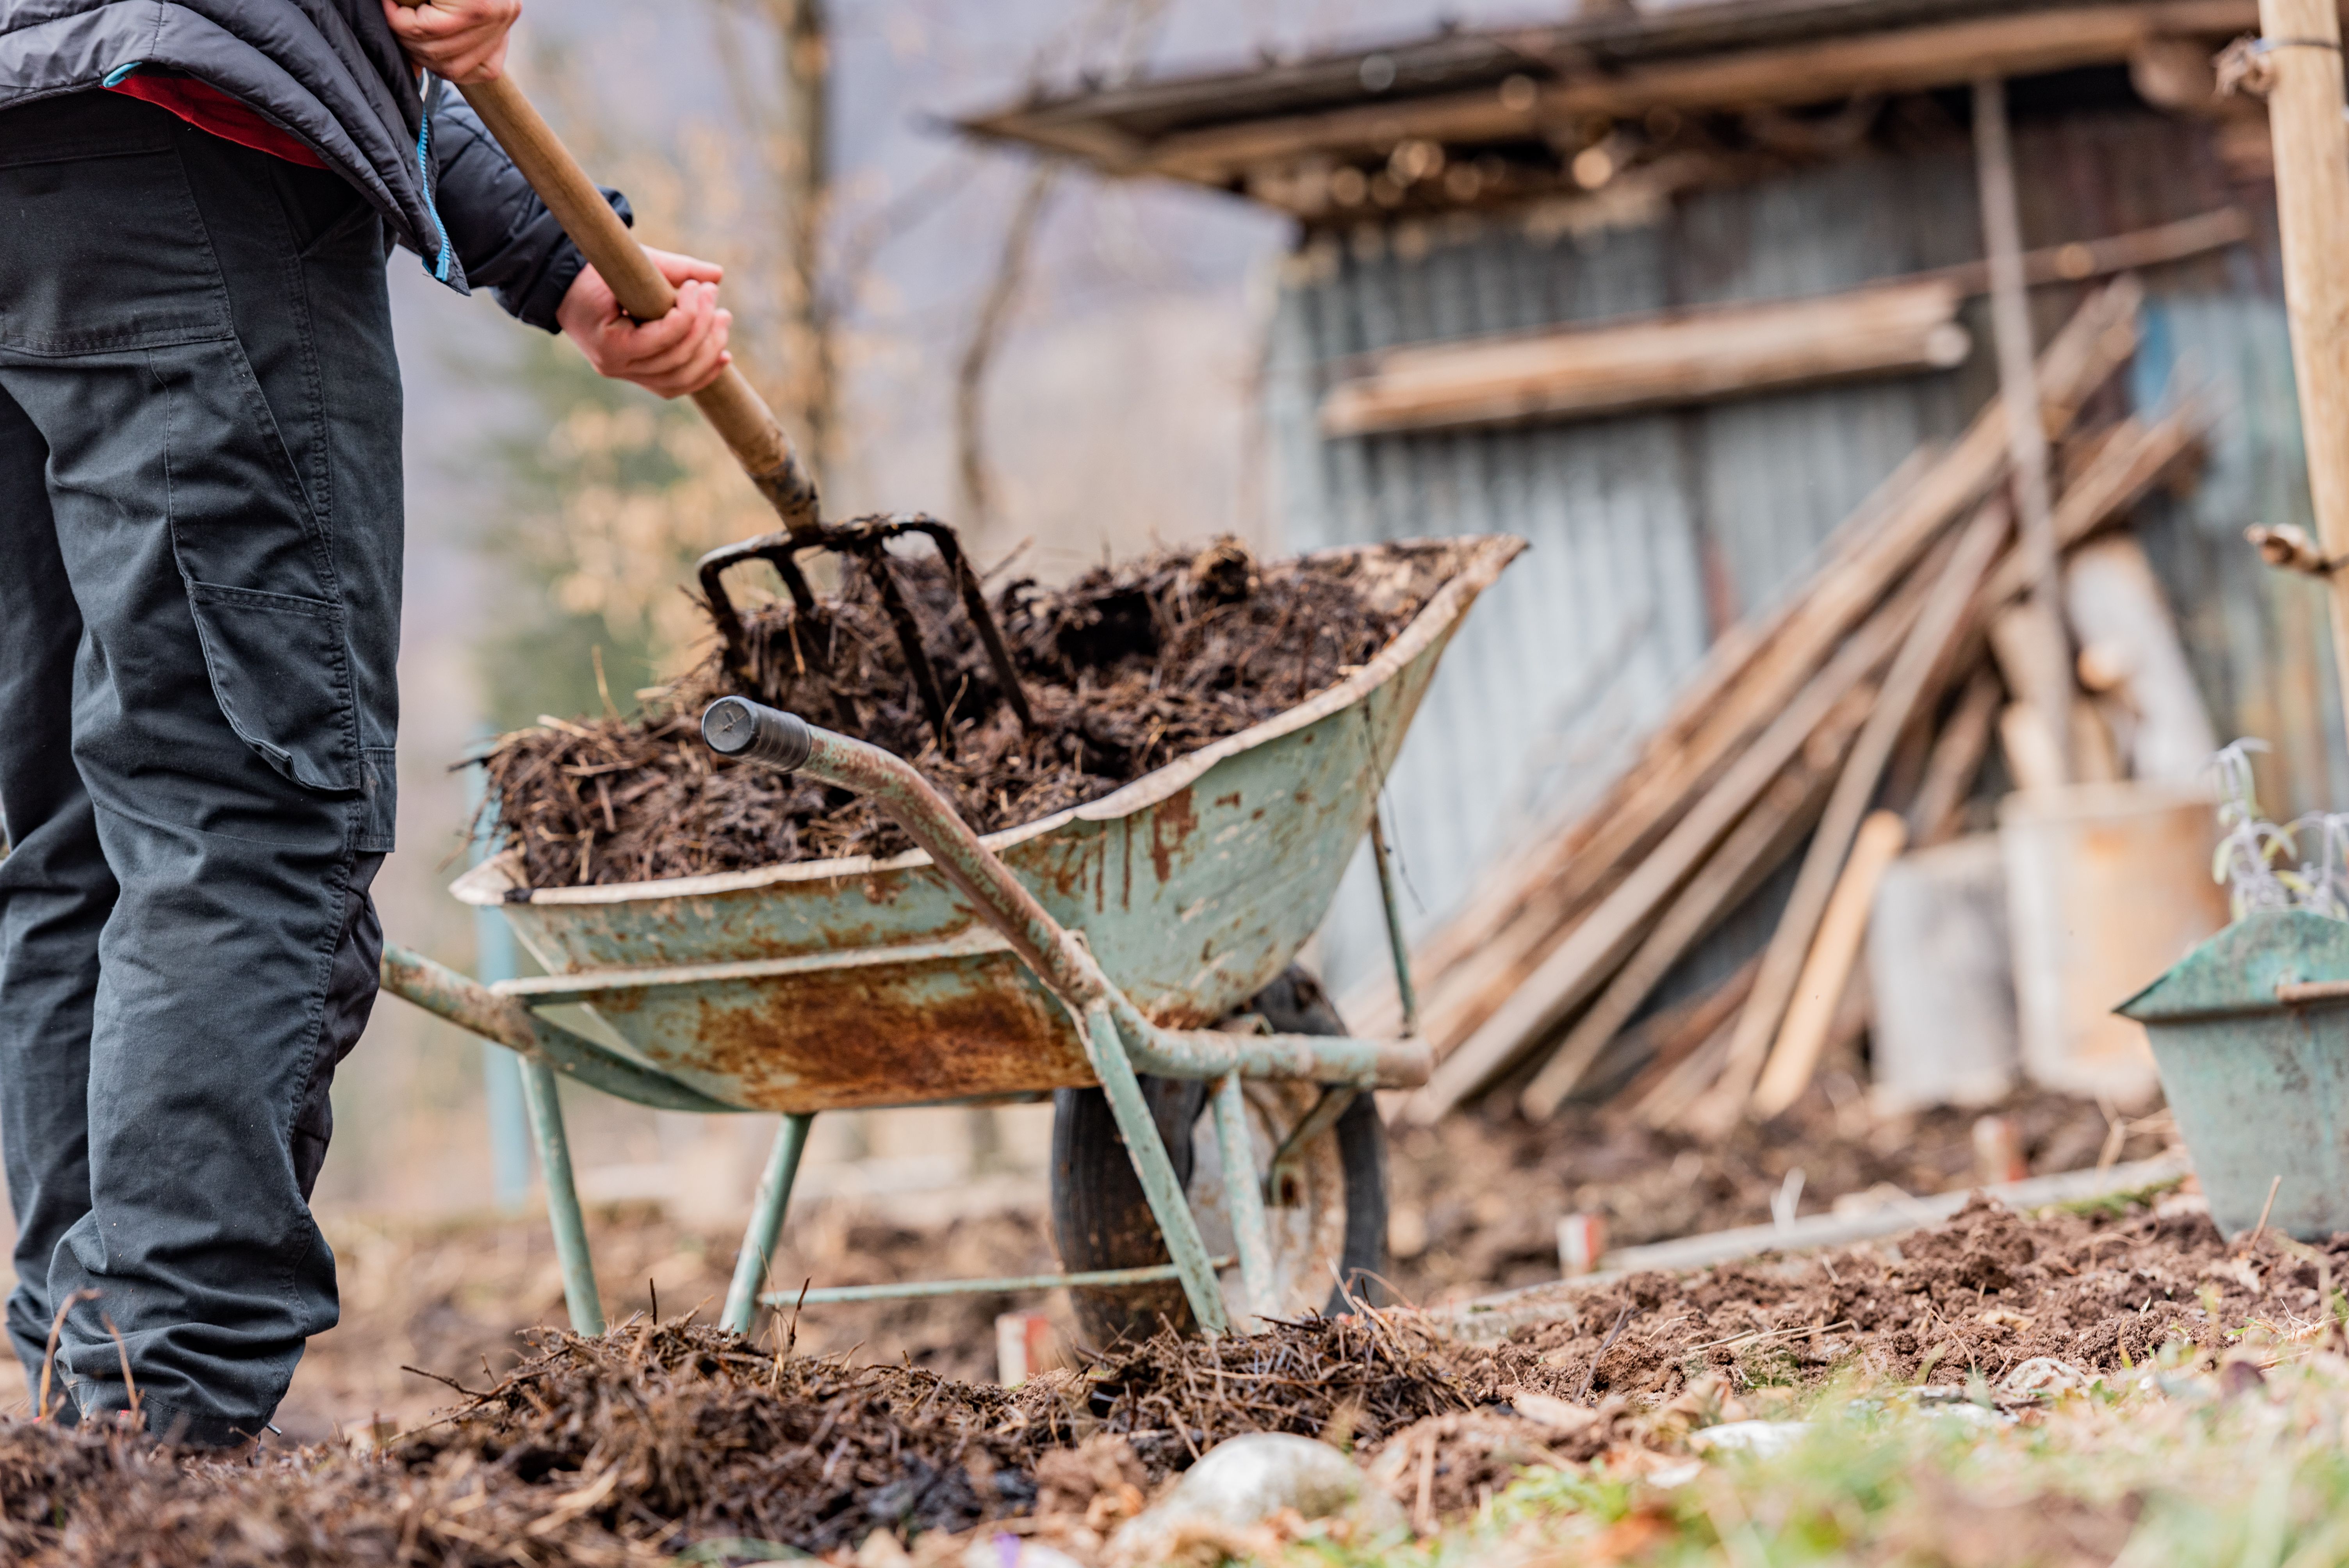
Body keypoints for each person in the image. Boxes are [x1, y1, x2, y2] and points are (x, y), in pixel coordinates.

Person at [0, 0, 733, 1445]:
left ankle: (86, 1409)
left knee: (84, 840)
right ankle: (165, 1433)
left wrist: (548, 248)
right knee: (248, 809)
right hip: (178, 171)